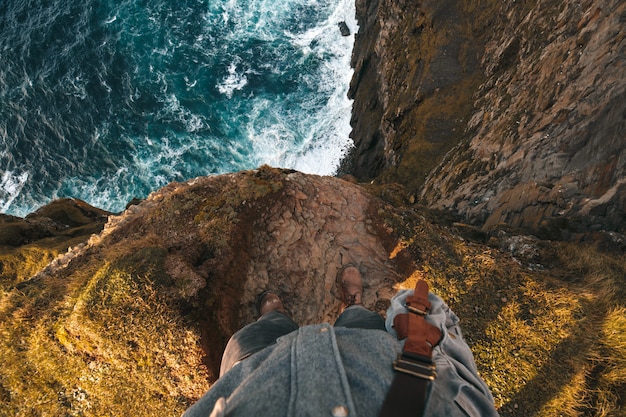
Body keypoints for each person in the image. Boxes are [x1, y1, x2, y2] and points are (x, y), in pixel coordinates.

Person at [183, 265, 498, 417]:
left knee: (253, 336)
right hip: (373, 352)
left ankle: (274, 316)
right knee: (359, 319)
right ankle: (352, 305)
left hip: (254, 372)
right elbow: (458, 378)